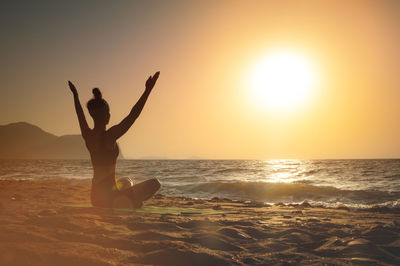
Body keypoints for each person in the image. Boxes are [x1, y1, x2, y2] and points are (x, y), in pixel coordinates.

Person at [68, 72, 161, 208]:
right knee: (155, 183)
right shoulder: (110, 135)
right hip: (110, 200)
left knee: (127, 181)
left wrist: (75, 96)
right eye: (108, 112)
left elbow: (80, 115)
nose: (110, 115)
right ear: (106, 115)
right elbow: (133, 115)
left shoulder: (88, 135)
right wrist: (148, 90)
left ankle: (127, 201)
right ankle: (129, 202)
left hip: (95, 198)